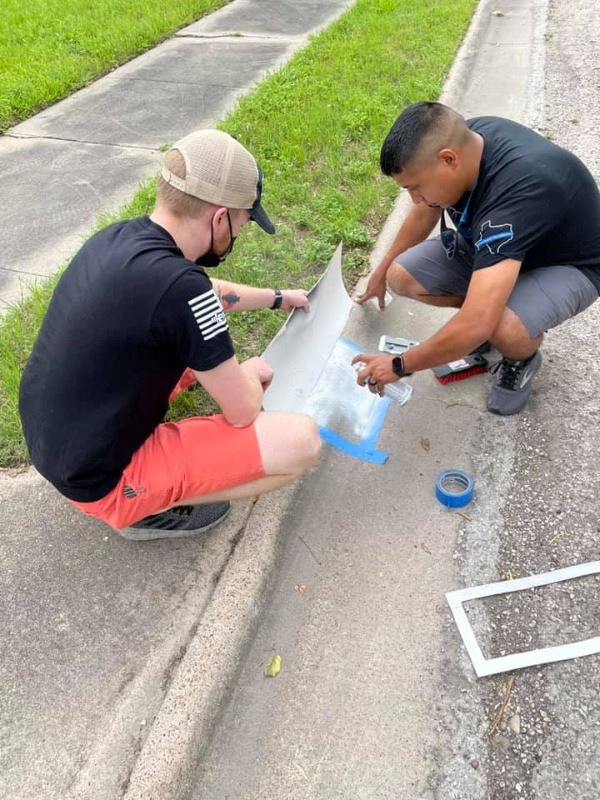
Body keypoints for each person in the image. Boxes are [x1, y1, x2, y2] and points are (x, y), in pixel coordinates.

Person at [19, 130, 321, 540]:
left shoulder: (118, 238)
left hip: (55, 437)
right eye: (242, 224)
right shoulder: (182, 289)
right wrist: (248, 375)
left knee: (182, 345)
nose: (238, 235)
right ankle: (146, 507)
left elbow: (208, 296)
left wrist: (278, 298)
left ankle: (149, 488)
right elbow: (244, 410)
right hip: (98, 479)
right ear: (219, 218)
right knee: (301, 442)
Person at [355, 102, 600, 415]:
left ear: (448, 160)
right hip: (505, 248)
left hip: (567, 264)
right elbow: (423, 213)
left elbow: (477, 322)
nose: (415, 198)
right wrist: (381, 270)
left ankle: (522, 358)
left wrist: (400, 364)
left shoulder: (517, 197)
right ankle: (492, 306)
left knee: (498, 326)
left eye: (415, 188)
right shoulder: (467, 138)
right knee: (401, 275)